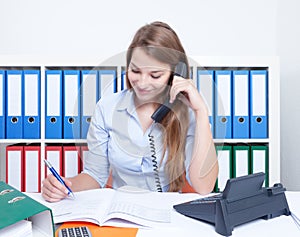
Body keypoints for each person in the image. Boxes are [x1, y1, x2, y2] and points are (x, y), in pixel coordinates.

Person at [42, 21, 218, 202]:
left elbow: (203, 187)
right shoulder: (107, 107)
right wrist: (64, 185)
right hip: (120, 211)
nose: (142, 83)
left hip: (167, 215)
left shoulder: (189, 115)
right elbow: (95, 175)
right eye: (135, 71)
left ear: (176, 74)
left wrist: (201, 112)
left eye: (155, 75)